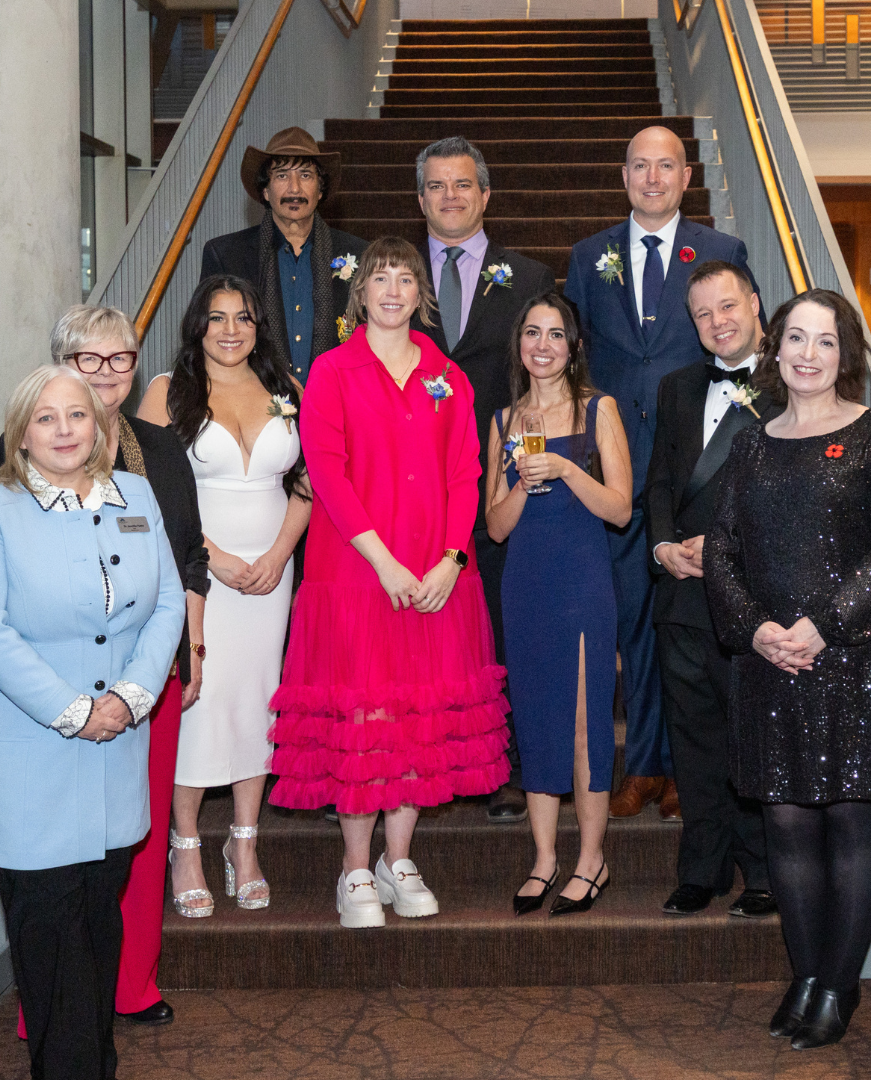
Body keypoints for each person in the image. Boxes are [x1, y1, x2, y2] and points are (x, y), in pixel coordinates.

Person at [268, 236, 510, 929]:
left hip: (436, 576)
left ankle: (396, 857)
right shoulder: (333, 372)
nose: (394, 290)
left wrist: (451, 559)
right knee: (363, 715)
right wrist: (383, 561)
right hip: (357, 574)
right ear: (361, 293)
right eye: (381, 278)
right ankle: (353, 867)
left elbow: (467, 471)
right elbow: (330, 474)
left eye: (406, 278)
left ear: (420, 294)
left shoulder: (447, 377)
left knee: (414, 718)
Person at [705, 289, 871, 1049]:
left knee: (852, 820)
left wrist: (823, 627)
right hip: (772, 664)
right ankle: (805, 975)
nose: (808, 354)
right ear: (776, 350)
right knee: (787, 824)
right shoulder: (752, 444)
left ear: (846, 355)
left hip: (857, 662)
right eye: (796, 338)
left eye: (825, 342)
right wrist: (758, 629)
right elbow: (721, 550)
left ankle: (838, 985)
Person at [0, 306, 209, 1033]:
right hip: (42, 735)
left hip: (133, 711)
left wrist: (140, 686)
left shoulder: (147, 468)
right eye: (91, 360)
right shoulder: (9, 488)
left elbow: (179, 573)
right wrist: (78, 709)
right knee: (51, 918)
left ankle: (117, 1013)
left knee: (112, 889)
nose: (109, 374)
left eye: (122, 360)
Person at [565, 124, 762, 819]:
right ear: (624, 177)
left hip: (693, 474)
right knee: (632, 626)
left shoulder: (720, 252)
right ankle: (644, 764)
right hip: (616, 475)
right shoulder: (589, 257)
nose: (653, 178)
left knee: (693, 627)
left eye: (666, 167)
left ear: (686, 177)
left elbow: (739, 352)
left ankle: (688, 768)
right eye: (640, 166)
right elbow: (574, 359)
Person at [139, 274, 310, 914]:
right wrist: (215, 557)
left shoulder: (285, 390)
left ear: (258, 327)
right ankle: (186, 843)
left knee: (258, 697)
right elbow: (151, 490)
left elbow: (307, 482)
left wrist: (278, 553)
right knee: (196, 696)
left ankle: (244, 841)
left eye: (243, 317)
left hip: (270, 572)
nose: (231, 330)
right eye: (217, 318)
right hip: (195, 567)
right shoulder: (166, 392)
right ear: (197, 326)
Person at [409, 135, 556, 822]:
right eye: (437, 186)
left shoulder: (527, 277)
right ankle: (414, 754)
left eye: (462, 184)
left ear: (486, 194)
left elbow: (542, 379)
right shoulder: (395, 278)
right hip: (414, 482)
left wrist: (529, 464)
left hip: (501, 480)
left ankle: (504, 767)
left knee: (504, 625)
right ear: (420, 199)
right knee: (419, 629)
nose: (450, 196)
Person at [485, 293, 632, 916]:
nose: (542, 345)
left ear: (573, 346)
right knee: (536, 718)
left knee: (581, 723)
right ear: (519, 345)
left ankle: (591, 859)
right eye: (531, 333)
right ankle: (544, 858)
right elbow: (494, 527)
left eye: (555, 334)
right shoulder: (501, 421)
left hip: (581, 580)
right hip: (526, 583)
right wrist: (521, 481)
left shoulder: (599, 409)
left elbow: (621, 509)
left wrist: (568, 471)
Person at [643, 261, 776, 917]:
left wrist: (725, 548)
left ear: (754, 304)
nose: (718, 322)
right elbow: (662, 483)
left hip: (754, 598)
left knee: (749, 738)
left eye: (728, 307)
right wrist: (664, 545)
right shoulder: (675, 387)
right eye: (704, 314)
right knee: (692, 743)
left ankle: (761, 872)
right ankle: (701, 868)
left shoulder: (792, 385)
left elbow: (798, 500)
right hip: (684, 595)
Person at [199, 126, 368, 381]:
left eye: (306, 175)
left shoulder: (359, 254)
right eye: (281, 176)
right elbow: (205, 337)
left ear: (320, 190)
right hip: (252, 406)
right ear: (265, 191)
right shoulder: (225, 256)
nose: (295, 189)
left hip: (338, 404)